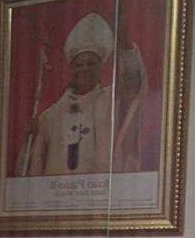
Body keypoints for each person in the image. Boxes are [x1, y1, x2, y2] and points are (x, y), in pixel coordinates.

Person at [26, 11, 148, 177]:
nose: (84, 69)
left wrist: (124, 41)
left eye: (91, 63)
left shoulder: (112, 101)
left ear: (101, 68)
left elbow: (132, 82)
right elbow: (32, 172)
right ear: (70, 69)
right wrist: (30, 139)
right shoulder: (50, 117)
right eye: (79, 64)